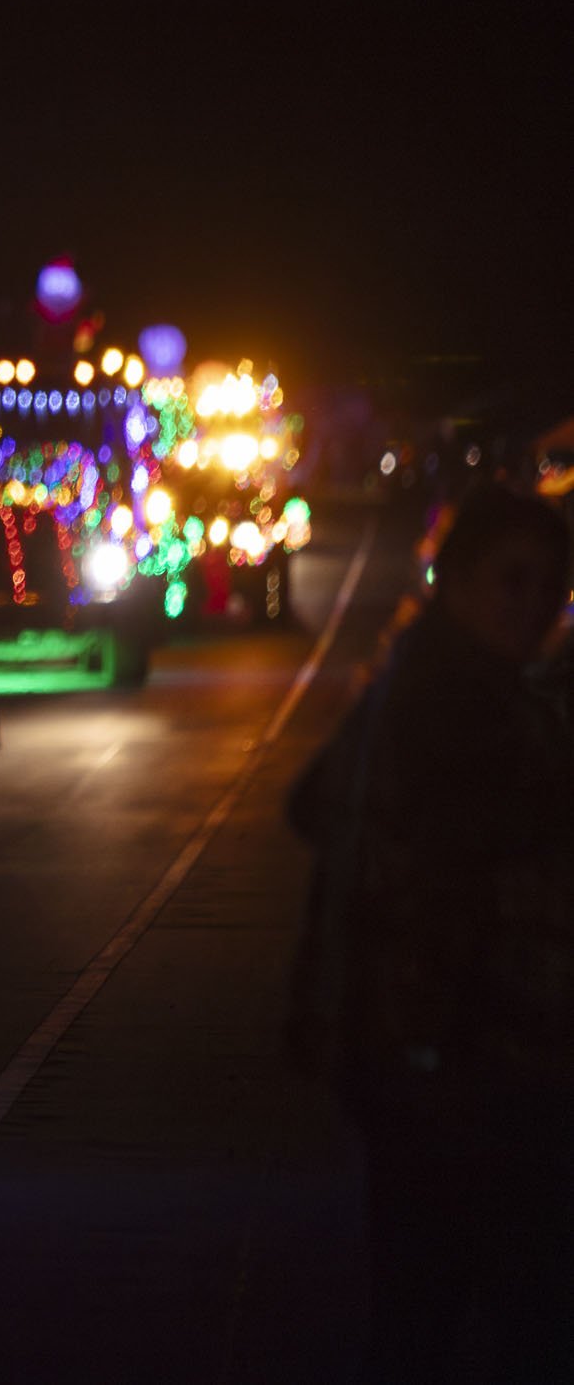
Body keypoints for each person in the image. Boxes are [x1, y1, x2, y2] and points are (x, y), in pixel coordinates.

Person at [289, 484, 574, 1380]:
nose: (529, 608)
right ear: (453, 581)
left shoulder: (412, 684)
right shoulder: (474, 713)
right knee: (516, 1310)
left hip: (410, 1064)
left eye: (548, 588)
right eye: (509, 582)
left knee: (423, 1307)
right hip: (473, 1063)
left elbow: (312, 804)